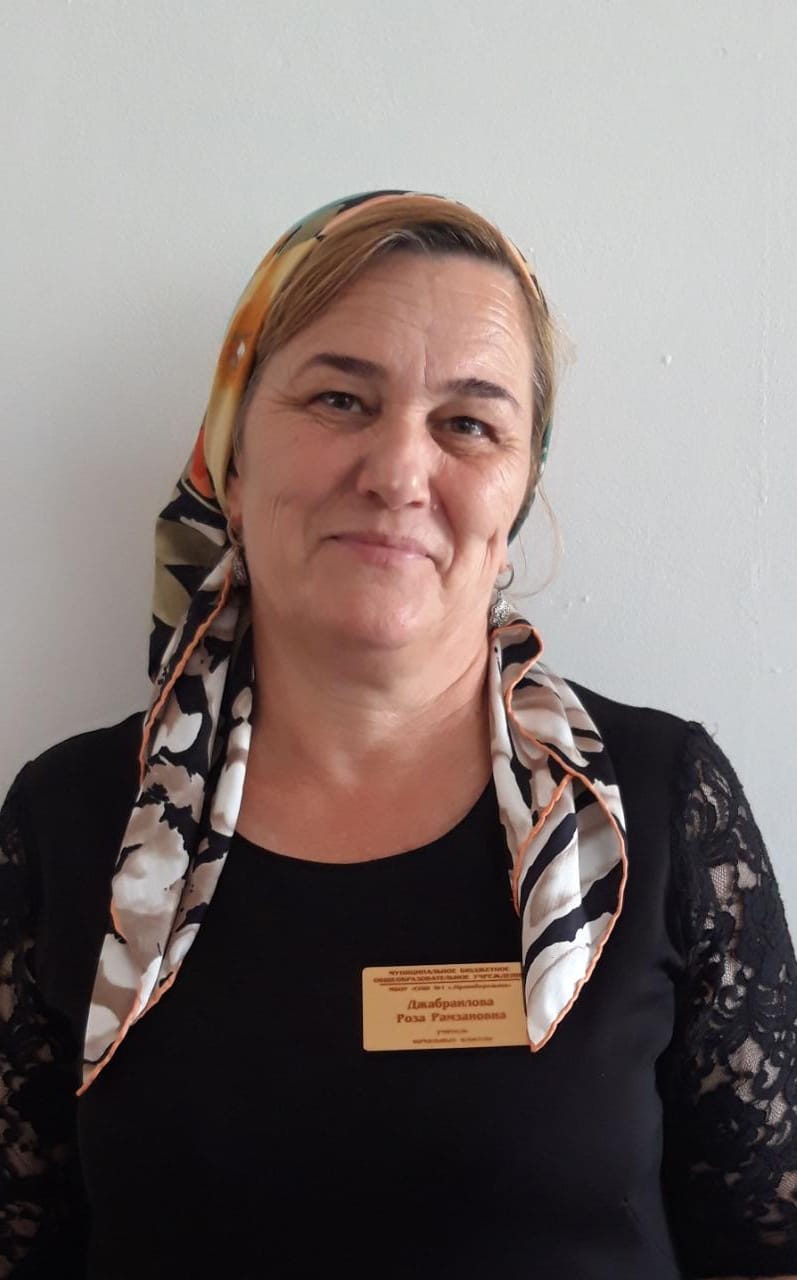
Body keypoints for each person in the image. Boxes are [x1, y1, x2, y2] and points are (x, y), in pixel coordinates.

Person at [0, 189, 795, 1280]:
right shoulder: (68, 818)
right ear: (231, 460)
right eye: (339, 398)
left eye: (467, 424)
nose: (397, 474)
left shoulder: (659, 805)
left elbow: (764, 1249)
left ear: (516, 496)